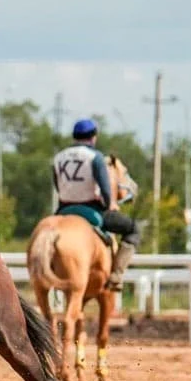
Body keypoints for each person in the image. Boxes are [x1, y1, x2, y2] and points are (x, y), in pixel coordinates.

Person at [52, 119, 141, 291]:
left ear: (74, 137)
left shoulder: (58, 158)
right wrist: (109, 205)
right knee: (133, 228)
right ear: (93, 137)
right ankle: (116, 275)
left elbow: (57, 185)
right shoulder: (96, 157)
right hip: (91, 209)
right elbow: (106, 189)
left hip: (63, 211)